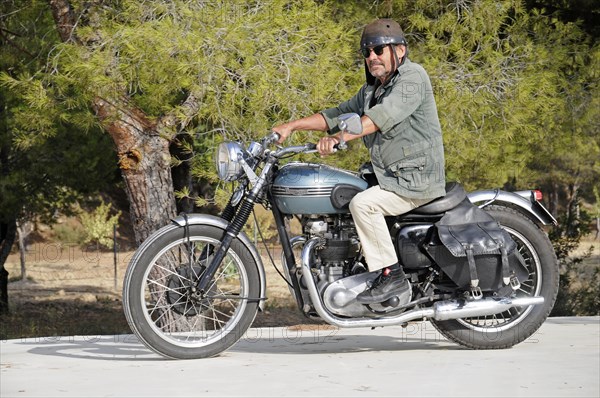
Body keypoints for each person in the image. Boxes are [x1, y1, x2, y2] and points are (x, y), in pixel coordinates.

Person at [272, 19, 446, 304]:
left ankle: (391, 276)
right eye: (367, 51)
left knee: (362, 204)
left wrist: (340, 137)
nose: (372, 57)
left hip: (415, 180)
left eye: (378, 49)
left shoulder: (413, 78)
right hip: (388, 176)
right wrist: (292, 126)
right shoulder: (371, 91)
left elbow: (381, 118)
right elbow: (335, 114)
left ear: (399, 50)